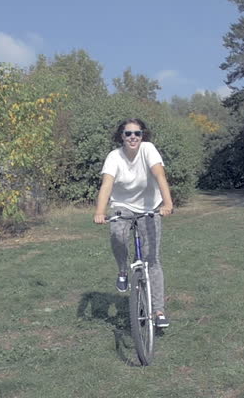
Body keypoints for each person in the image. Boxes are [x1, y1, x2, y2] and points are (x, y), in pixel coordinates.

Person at [93, 118, 174, 328]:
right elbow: (106, 185)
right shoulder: (114, 157)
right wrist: (100, 211)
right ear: (121, 136)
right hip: (123, 205)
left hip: (149, 207)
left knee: (152, 259)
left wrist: (167, 203)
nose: (133, 137)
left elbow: (160, 175)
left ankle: (158, 310)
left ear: (142, 135)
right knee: (118, 234)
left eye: (137, 133)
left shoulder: (148, 150)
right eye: (128, 133)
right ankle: (122, 271)